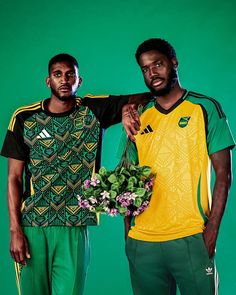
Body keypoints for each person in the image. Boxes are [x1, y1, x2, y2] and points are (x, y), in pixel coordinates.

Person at [1, 53, 148, 295]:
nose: (64, 80)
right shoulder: (24, 118)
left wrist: (128, 108)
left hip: (75, 224)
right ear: (48, 81)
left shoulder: (93, 110)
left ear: (80, 81)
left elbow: (146, 97)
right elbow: (13, 179)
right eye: (58, 74)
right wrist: (15, 230)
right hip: (33, 225)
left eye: (70, 74)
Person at [123, 38, 235, 295]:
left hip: (191, 235)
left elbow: (224, 175)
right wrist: (128, 234)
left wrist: (212, 231)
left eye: (158, 64)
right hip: (143, 241)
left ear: (174, 63)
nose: (152, 72)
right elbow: (126, 178)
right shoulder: (137, 116)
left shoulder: (204, 108)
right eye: (145, 68)